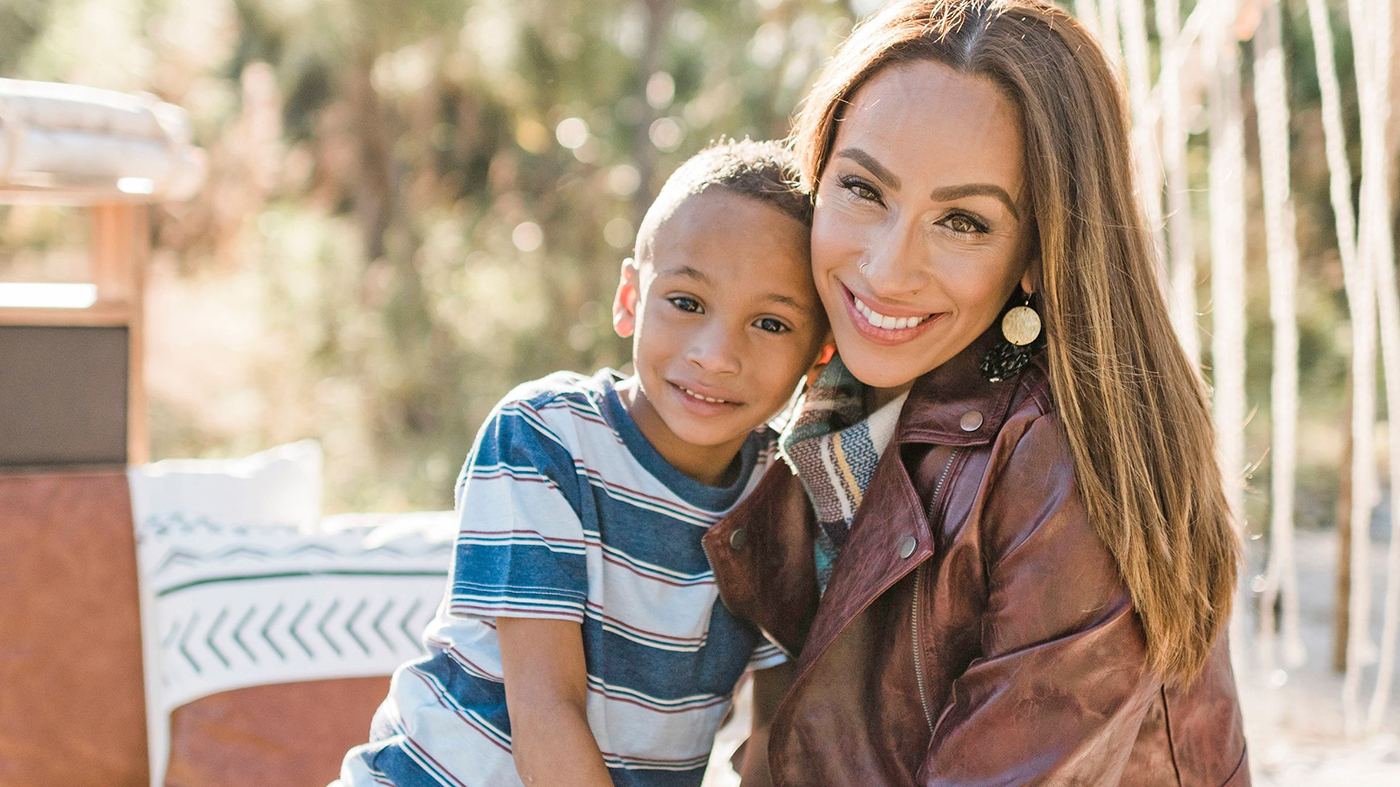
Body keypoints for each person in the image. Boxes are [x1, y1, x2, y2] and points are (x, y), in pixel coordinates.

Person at [703, 2, 1249, 785]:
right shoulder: (821, 406)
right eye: (863, 188)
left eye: (961, 221)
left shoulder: (1063, 467)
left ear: (1038, 252)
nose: (888, 268)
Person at [334, 139, 829, 787]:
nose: (715, 354)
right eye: (686, 302)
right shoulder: (546, 437)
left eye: (769, 323)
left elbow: (775, 736)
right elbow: (547, 710)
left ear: (817, 357)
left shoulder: (784, 498)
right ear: (630, 299)